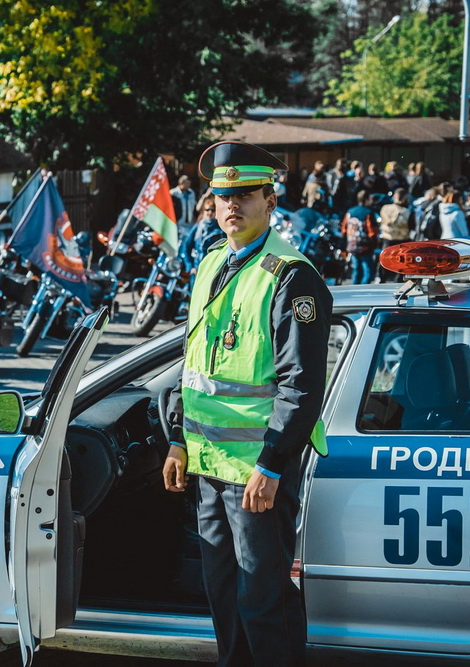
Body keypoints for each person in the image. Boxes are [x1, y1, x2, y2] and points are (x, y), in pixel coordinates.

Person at [163, 140, 331, 667]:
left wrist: (271, 465)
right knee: (223, 598)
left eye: (244, 195)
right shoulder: (213, 261)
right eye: (221, 196)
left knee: (265, 602)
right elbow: (193, 364)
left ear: (270, 200)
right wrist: (175, 439)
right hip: (209, 465)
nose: (230, 206)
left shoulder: (291, 276)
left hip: (256, 473)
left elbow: (301, 387)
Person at [341, 190, 380, 284]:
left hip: (351, 245)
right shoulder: (368, 212)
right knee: (368, 272)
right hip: (365, 246)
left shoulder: (350, 211)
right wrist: (375, 243)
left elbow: (344, 229)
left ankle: (354, 290)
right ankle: (363, 289)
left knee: (356, 270)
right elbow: (371, 230)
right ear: (366, 199)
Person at [180, 196, 225, 273]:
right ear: (203, 211)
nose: (210, 212)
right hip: (197, 269)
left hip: (213, 270)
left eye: (212, 210)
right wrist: (190, 267)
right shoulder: (197, 227)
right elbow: (186, 247)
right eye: (207, 210)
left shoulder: (221, 228)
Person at [378, 188, 413, 281]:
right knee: (401, 262)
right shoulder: (406, 211)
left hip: (387, 238)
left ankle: (381, 278)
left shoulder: (385, 208)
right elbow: (411, 225)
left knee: (385, 259)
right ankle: (398, 279)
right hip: (402, 240)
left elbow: (384, 221)